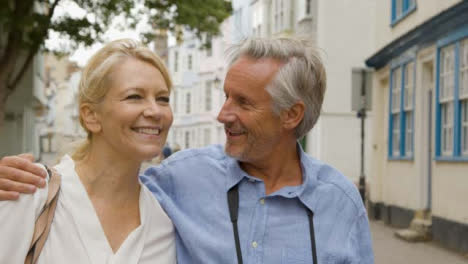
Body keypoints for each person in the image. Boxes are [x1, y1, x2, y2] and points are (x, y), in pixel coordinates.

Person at [0, 37, 374, 263]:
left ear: (291, 115)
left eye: (243, 102)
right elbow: (100, 175)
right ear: (90, 115)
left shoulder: (340, 204)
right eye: (226, 95)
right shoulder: (179, 179)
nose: (222, 114)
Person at [0, 39, 176, 263]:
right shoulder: (30, 192)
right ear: (91, 116)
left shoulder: (164, 223)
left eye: (163, 99)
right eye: (135, 96)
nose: (155, 110)